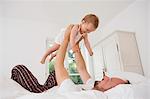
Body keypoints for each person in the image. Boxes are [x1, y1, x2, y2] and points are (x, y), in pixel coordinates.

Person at [54, 24, 130, 93]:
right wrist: (75, 44)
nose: (106, 76)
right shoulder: (93, 86)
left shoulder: (73, 93)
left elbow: (58, 66)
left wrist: (66, 38)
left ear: (112, 91)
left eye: (110, 80)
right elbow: (82, 69)